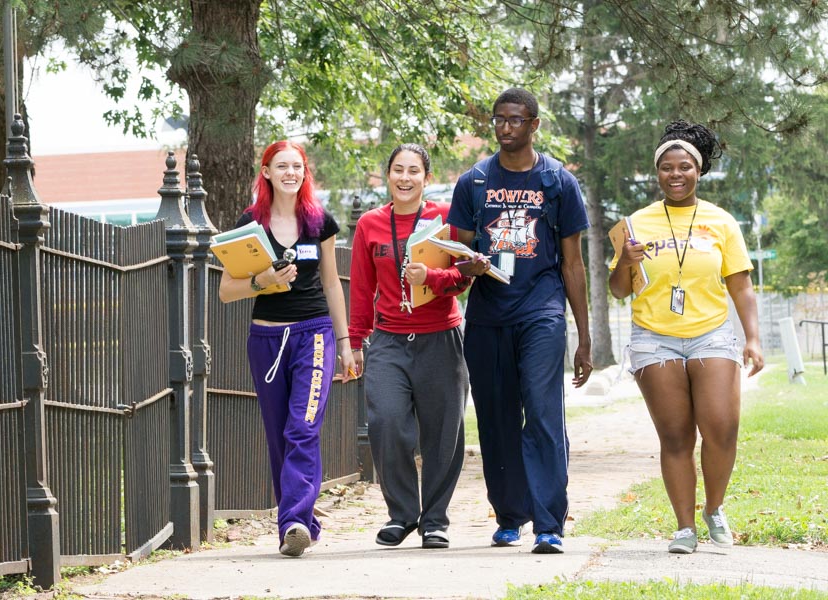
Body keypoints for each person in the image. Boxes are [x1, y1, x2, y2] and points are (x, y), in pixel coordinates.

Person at [446, 87, 593, 555]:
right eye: (498, 120)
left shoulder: (558, 182)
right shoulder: (473, 182)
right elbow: (457, 253)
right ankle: (510, 515)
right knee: (496, 418)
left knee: (544, 413)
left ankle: (549, 523)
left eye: (515, 119)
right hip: (488, 317)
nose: (505, 127)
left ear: (534, 125)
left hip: (542, 312)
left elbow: (573, 264)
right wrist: (469, 267)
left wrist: (583, 337)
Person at [609, 120, 764, 554]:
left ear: (698, 171)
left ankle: (714, 508)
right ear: (656, 173)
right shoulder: (636, 223)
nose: (675, 175)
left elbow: (741, 285)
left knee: (722, 428)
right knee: (676, 436)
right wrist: (624, 259)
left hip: (711, 333)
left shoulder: (721, 221)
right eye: (666, 168)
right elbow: (620, 290)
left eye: (684, 167)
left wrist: (752, 338)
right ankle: (684, 527)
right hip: (654, 338)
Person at [218, 140, 357, 558]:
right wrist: (265, 282)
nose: (290, 173)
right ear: (266, 172)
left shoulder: (319, 222)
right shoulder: (250, 224)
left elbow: (332, 283)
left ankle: (294, 520)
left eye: (297, 166)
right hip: (266, 339)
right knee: (279, 435)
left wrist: (346, 343)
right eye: (282, 166)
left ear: (304, 172)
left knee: (303, 427)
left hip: (315, 335)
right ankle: (299, 523)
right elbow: (227, 291)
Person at [348, 143, 485, 550]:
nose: (405, 178)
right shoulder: (370, 225)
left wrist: (431, 278)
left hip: (441, 337)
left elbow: (466, 274)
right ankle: (402, 514)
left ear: (426, 177)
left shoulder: (444, 219)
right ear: (387, 175)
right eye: (397, 170)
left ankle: (435, 520)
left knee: (444, 433)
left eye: (413, 171)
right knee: (387, 422)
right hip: (389, 339)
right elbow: (361, 288)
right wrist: (355, 341)